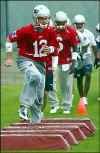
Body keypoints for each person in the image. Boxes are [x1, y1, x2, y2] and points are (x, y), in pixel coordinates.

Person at [5, 4, 58, 123]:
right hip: (25, 59)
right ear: (35, 18)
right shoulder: (26, 30)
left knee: (39, 98)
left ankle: (35, 123)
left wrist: (50, 49)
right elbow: (9, 39)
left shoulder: (51, 31)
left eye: (46, 18)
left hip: (41, 64)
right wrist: (9, 57)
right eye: (41, 18)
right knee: (35, 76)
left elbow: (55, 47)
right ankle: (23, 106)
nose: (45, 21)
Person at [48, 11, 80, 114]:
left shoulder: (71, 32)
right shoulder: (50, 30)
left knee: (66, 85)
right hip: (52, 61)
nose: (60, 25)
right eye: (58, 22)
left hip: (66, 62)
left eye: (62, 23)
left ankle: (66, 106)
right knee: (50, 83)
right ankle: (54, 105)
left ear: (66, 22)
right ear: (55, 21)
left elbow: (75, 48)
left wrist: (74, 63)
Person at [72, 14, 98, 105]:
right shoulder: (72, 33)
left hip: (87, 57)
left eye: (81, 24)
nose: (79, 26)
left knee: (88, 74)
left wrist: (97, 58)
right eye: (77, 24)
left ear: (84, 24)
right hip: (77, 58)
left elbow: (94, 46)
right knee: (79, 79)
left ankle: (85, 97)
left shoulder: (89, 33)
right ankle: (82, 97)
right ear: (74, 24)